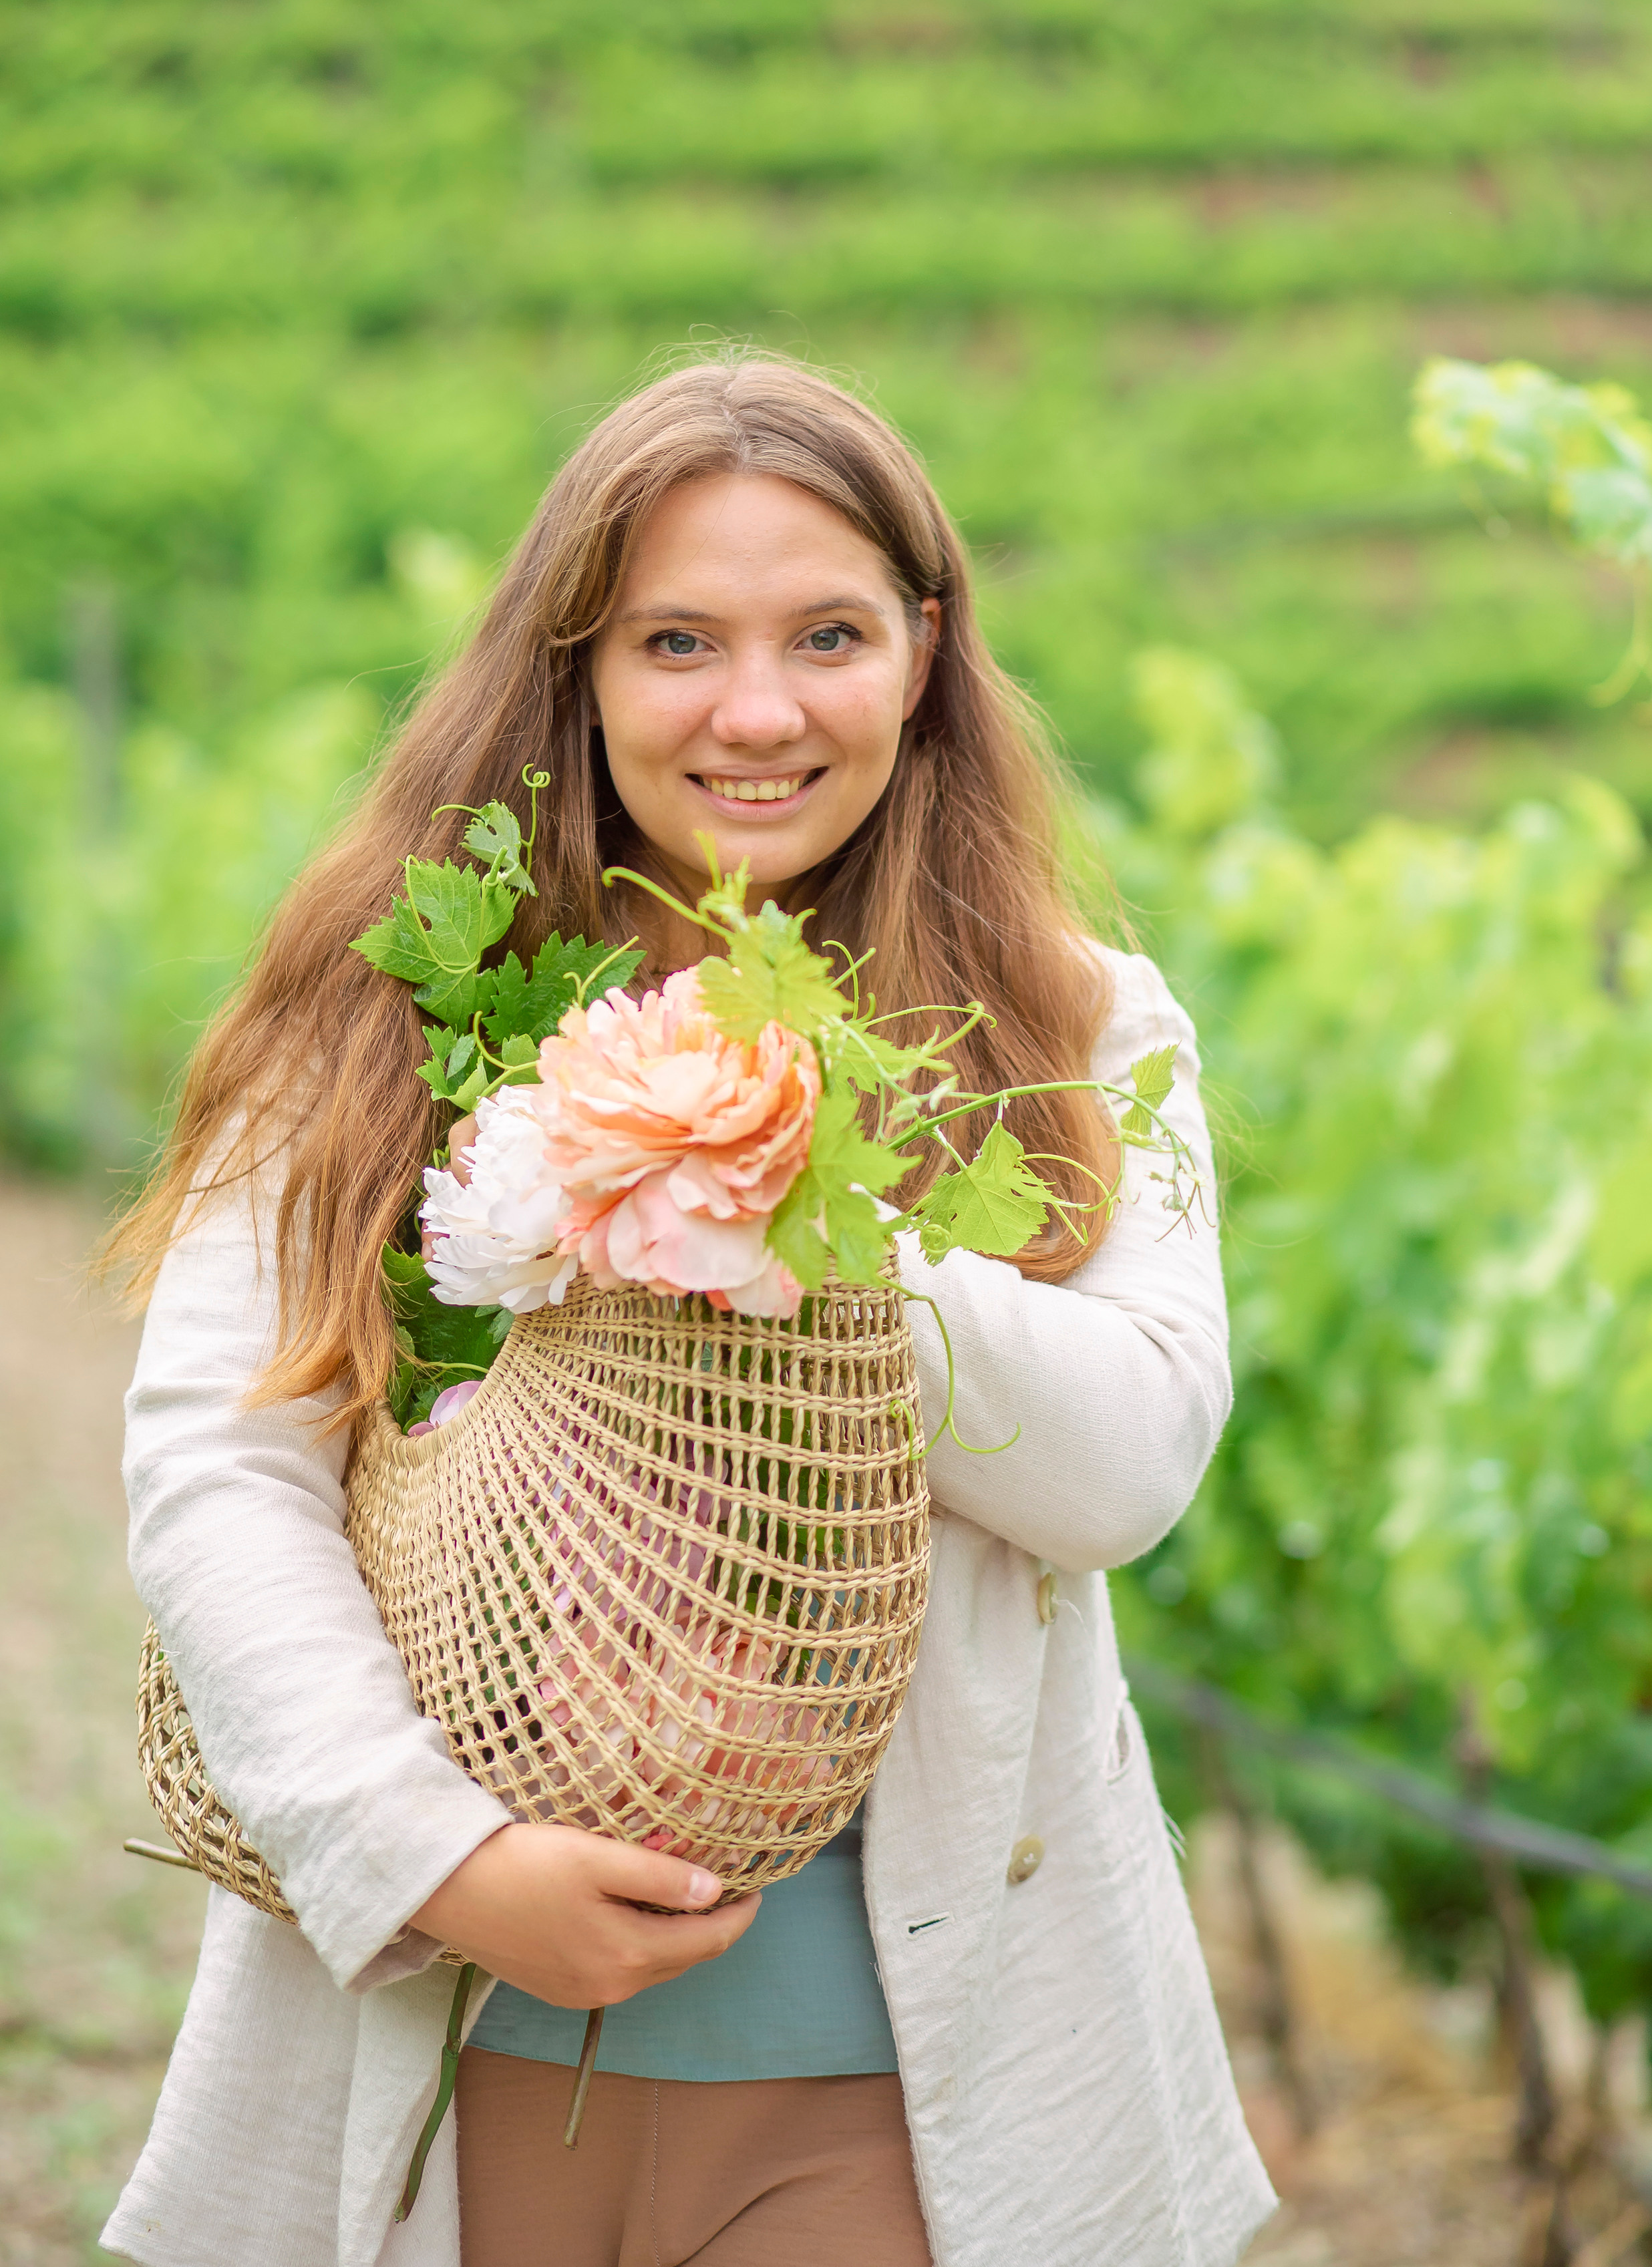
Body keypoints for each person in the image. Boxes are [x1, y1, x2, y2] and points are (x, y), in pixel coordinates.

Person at [102, 357, 1276, 2267]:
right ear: (574, 668)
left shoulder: (1081, 1030)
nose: (758, 709)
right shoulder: (381, 1010)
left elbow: (1130, 1464)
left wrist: (789, 1226)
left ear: (923, 652)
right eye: (675, 640)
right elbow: (220, 1471)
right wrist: (443, 1863)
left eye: (828, 634)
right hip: (451, 2038)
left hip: (903, 2099)